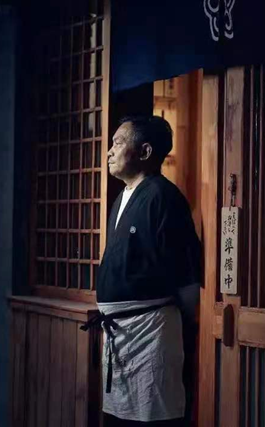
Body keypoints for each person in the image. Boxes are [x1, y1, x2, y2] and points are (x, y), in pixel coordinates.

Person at [81, 115, 201, 427]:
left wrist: (185, 325)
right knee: (119, 417)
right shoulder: (123, 196)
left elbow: (187, 273)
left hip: (151, 331)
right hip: (120, 332)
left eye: (118, 143)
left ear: (145, 152)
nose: (109, 151)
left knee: (152, 417)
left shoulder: (164, 197)